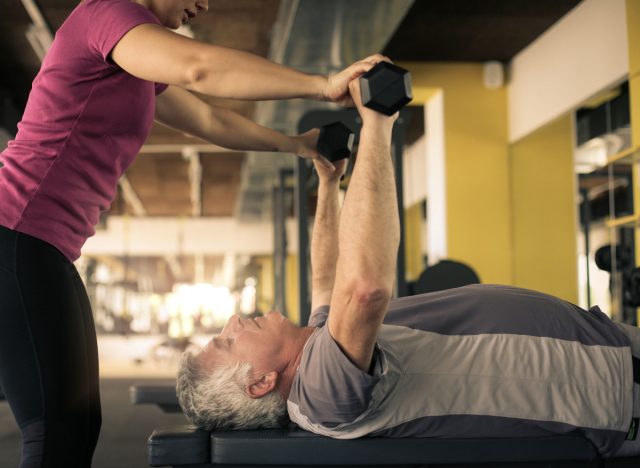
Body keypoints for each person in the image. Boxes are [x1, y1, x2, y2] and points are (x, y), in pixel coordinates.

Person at [0, 0, 385, 466]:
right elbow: (199, 68)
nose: (203, 4)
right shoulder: (106, 13)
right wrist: (322, 86)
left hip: (40, 245)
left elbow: (210, 120)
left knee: (76, 425)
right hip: (16, 231)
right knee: (56, 428)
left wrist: (297, 147)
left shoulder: (136, 66)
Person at [176, 77, 640, 460]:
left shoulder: (317, 352)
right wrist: (378, 123)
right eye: (226, 341)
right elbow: (363, 288)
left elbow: (327, 275)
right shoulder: (321, 391)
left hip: (606, 351)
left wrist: (329, 177)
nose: (232, 322)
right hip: (613, 385)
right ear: (260, 383)